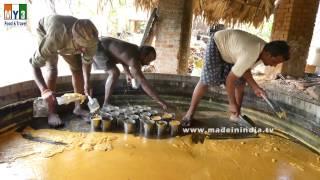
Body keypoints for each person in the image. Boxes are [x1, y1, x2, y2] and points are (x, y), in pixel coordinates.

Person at [182, 29, 290, 127]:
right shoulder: (251, 53)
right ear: (267, 54)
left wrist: (256, 87)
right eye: (275, 61)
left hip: (233, 51)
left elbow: (245, 70)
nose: (274, 65)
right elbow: (230, 80)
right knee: (206, 80)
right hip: (218, 44)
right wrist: (231, 103)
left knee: (240, 82)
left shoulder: (264, 51)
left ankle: (235, 114)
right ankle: (189, 113)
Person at [29, 15, 99, 127]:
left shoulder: (91, 41)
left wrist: (87, 82)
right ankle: (51, 112)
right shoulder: (54, 38)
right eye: (82, 46)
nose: (85, 50)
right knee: (52, 70)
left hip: (68, 41)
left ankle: (78, 108)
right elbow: (34, 65)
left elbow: (86, 62)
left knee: (77, 70)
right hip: (47, 30)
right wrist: (44, 91)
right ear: (73, 37)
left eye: (87, 47)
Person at [93, 37, 168, 110]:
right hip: (98, 48)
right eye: (149, 60)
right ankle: (105, 104)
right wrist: (162, 102)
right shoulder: (134, 60)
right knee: (114, 73)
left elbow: (122, 58)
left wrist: (127, 73)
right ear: (144, 55)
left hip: (103, 44)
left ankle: (106, 103)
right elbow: (143, 82)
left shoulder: (135, 49)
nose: (148, 63)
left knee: (115, 72)